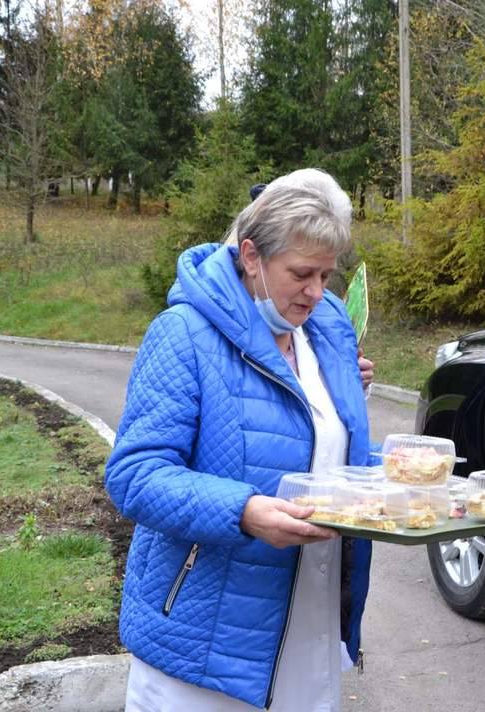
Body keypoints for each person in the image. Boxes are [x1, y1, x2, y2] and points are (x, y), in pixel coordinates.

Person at [105, 168, 374, 711]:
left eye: (327, 275)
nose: (317, 292)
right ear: (251, 256)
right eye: (301, 273)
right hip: (206, 646)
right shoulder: (183, 332)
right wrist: (243, 510)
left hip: (308, 624)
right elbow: (134, 475)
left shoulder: (326, 333)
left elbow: (329, 452)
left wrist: (404, 483)